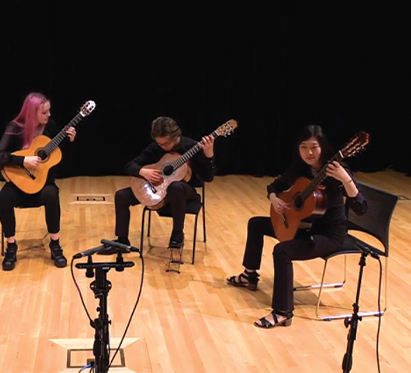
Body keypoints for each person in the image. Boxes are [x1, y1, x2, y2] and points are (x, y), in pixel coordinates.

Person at [226, 124, 368, 329]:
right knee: (256, 224)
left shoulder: (338, 173)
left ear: (323, 147)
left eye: (314, 147)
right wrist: (274, 198)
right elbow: (274, 186)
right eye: (303, 147)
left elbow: (362, 207)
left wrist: (346, 180)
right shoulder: (300, 169)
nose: (309, 153)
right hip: (304, 227)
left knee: (282, 251)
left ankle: (283, 312)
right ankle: (249, 275)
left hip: (329, 235)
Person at [101, 116, 216, 254]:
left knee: (175, 187)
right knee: (121, 196)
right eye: (160, 144)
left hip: (184, 193)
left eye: (166, 143)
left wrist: (209, 156)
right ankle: (122, 241)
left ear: (176, 136)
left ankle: (177, 234)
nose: (163, 147)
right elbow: (129, 166)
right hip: (159, 190)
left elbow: (208, 178)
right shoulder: (156, 147)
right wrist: (142, 171)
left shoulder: (193, 147)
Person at [0, 92, 76, 271]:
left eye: (49, 111)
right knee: (4, 198)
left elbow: (56, 156)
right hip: (19, 182)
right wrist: (23, 160)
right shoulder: (15, 128)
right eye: (44, 113)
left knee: (52, 194)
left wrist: (69, 141)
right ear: (32, 113)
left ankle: (55, 244)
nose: (49, 115)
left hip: (43, 182)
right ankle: (11, 246)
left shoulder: (50, 127)